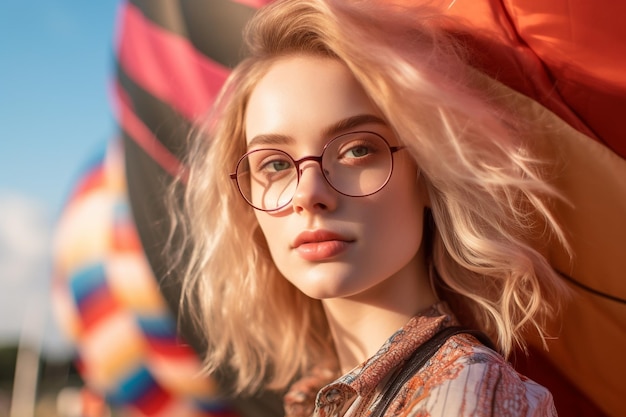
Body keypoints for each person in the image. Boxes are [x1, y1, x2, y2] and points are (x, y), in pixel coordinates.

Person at [167, 0, 570, 415]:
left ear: (430, 173)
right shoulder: (319, 399)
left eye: (358, 150)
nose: (308, 194)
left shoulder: (468, 398)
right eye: (275, 164)